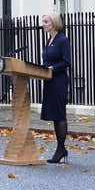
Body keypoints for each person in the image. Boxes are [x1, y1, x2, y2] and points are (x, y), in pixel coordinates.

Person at [41, 12, 71, 164]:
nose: (43, 24)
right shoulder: (49, 40)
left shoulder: (62, 40)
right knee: (54, 115)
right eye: (43, 21)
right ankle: (60, 148)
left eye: (46, 21)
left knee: (60, 115)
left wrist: (53, 67)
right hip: (49, 81)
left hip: (59, 81)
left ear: (54, 23)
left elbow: (67, 62)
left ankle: (61, 148)